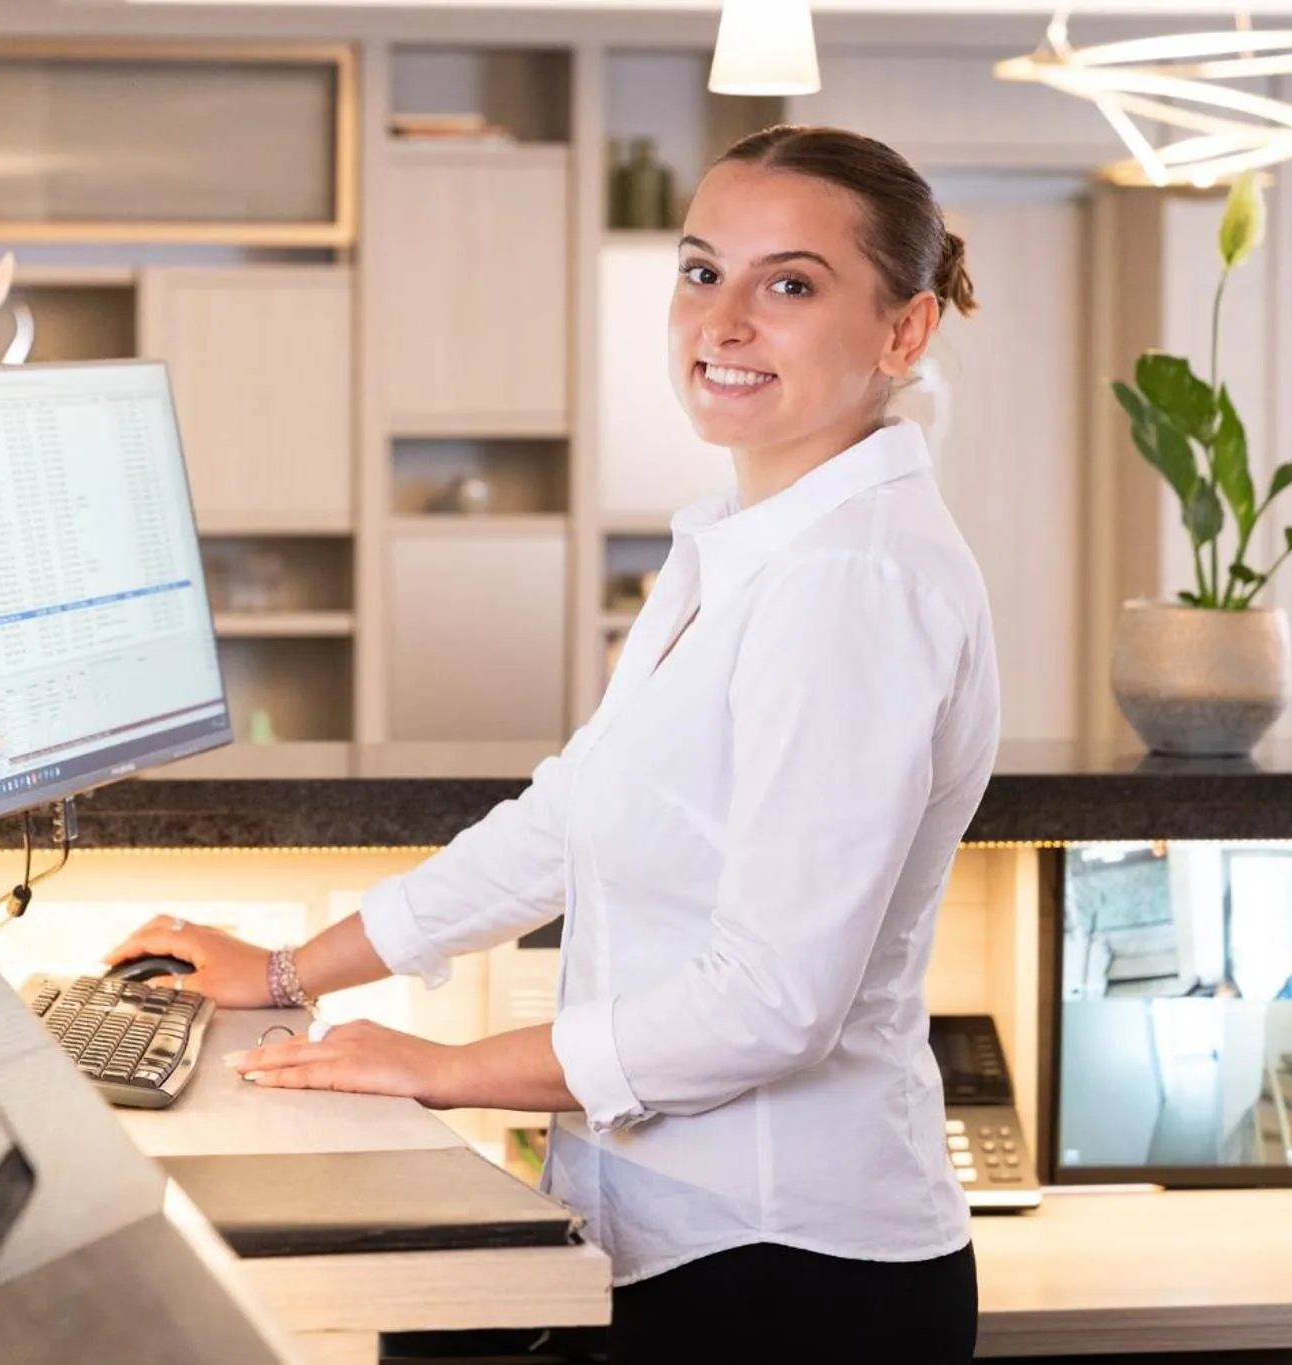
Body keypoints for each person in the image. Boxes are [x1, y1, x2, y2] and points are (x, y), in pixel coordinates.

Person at [108, 124, 996, 1364]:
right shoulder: (747, 548)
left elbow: (770, 1005)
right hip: (677, 1245)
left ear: (902, 332)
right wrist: (289, 973)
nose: (723, 321)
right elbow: (566, 818)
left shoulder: (855, 582)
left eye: (787, 284)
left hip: (786, 1278)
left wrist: (445, 1068)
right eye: (701, 272)